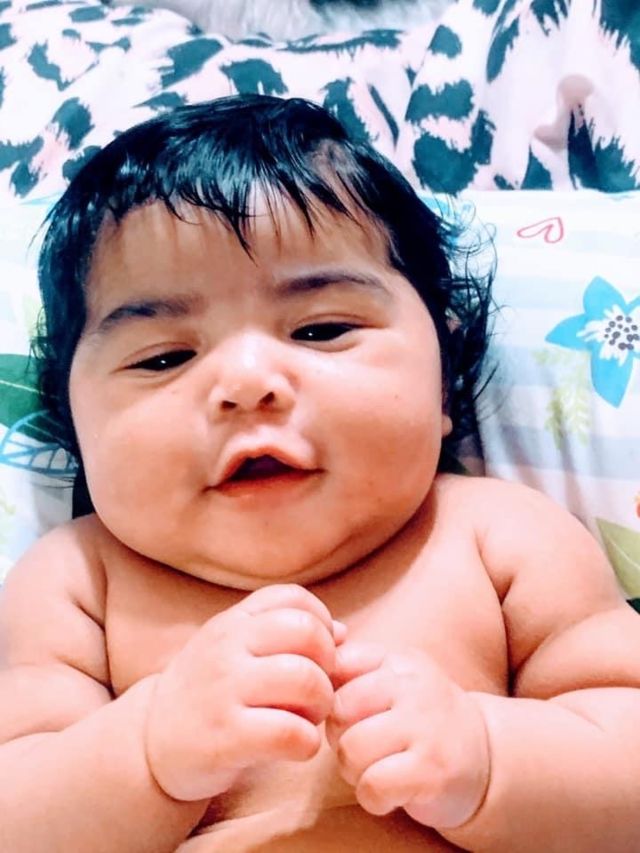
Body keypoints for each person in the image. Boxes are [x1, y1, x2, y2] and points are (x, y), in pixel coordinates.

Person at [1, 94, 639, 853]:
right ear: (74, 423)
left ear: (441, 381)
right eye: (164, 357)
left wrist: (493, 759)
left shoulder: (500, 535)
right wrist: (146, 751)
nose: (246, 382)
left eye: (321, 328)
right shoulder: (78, 583)